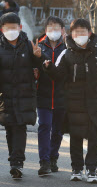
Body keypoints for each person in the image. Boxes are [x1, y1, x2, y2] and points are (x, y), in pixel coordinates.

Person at [43, 18, 97, 183]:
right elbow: (58, 76)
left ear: (89, 33)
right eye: (76, 32)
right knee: (76, 138)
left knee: (95, 138)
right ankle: (77, 169)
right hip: (74, 104)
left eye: (82, 32)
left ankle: (92, 170)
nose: (79, 35)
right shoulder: (66, 53)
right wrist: (49, 67)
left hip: (96, 104)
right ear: (71, 34)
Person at [0, 12, 45, 179]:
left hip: (25, 96)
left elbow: (43, 68)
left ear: (20, 28)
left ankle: (17, 163)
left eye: (14, 27)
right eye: (7, 28)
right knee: (10, 129)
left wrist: (39, 57)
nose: (11, 31)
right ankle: (14, 161)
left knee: (20, 127)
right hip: (6, 97)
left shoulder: (30, 46)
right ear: (2, 30)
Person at [35, 16, 67, 176]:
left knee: (57, 131)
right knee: (44, 126)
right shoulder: (39, 47)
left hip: (62, 96)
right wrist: (37, 59)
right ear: (46, 30)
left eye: (56, 27)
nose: (53, 31)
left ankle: (53, 157)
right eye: (50, 27)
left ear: (62, 30)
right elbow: (33, 70)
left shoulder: (67, 47)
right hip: (44, 95)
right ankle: (44, 161)